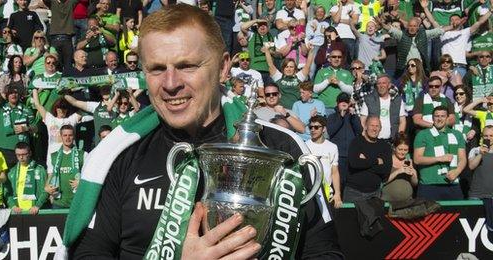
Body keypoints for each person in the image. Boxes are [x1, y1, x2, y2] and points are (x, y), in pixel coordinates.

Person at [67, 5, 341, 259]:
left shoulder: (281, 148)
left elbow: (324, 252)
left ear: (223, 68)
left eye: (187, 66)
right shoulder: (118, 156)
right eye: (157, 69)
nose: (171, 83)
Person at [414, 106, 467, 200]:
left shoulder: (457, 134)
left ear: (447, 118)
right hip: (429, 184)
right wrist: (439, 158)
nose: (439, 119)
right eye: (436, 116)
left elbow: (462, 158)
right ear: (432, 118)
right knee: (427, 215)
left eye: (442, 116)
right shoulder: (423, 134)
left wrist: (457, 171)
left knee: (456, 214)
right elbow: (417, 159)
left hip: (452, 183)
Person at [344, 116, 392, 202]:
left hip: (374, 194)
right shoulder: (356, 142)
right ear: (365, 127)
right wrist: (376, 161)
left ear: (380, 128)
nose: (374, 129)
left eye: (377, 126)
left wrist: (364, 161)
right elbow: (354, 163)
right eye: (372, 125)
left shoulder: (385, 146)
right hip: (353, 192)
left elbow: (386, 170)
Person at [32, 88, 81, 170]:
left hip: (70, 157)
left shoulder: (72, 119)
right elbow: (37, 105)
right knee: (51, 179)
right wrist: (34, 88)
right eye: (59, 107)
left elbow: (83, 108)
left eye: (64, 107)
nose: (62, 110)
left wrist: (68, 95)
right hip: (52, 157)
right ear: (55, 108)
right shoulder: (50, 119)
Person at [0, 79, 36, 167]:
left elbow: (36, 128)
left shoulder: (27, 110)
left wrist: (26, 128)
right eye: (11, 93)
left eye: (16, 93)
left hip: (21, 150)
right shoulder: (1, 108)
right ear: (7, 95)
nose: (13, 95)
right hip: (2, 147)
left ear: (19, 95)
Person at [327, 92, 363, 194]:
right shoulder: (332, 117)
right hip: (338, 156)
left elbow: (359, 131)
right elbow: (331, 131)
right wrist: (341, 117)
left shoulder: (353, 117)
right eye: (341, 101)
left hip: (351, 155)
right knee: (339, 181)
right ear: (337, 103)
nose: (343, 103)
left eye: (346, 102)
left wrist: (353, 117)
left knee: (349, 182)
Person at [45, 125, 86, 209]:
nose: (68, 138)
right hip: (59, 201)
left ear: (74, 136)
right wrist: (47, 188)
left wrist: (81, 182)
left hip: (77, 201)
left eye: (70, 135)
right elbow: (50, 175)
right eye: (65, 135)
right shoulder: (53, 155)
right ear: (61, 137)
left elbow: (89, 176)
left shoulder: (84, 154)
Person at [306, 115, 342, 208]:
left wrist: (337, 194)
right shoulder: (304, 145)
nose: (313, 130)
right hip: (308, 192)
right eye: (311, 127)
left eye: (316, 127)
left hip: (326, 193)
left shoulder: (332, 147)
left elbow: (334, 172)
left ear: (324, 129)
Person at [359, 74, 407, 142]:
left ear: (389, 85)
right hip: (373, 140)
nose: (381, 86)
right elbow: (362, 120)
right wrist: (366, 135)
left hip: (392, 140)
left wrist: (398, 139)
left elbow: (402, 121)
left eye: (384, 83)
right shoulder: (369, 99)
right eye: (379, 83)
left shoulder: (397, 100)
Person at [4, 142, 47, 215]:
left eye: (24, 154)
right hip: (18, 211)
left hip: (35, 211)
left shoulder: (39, 169)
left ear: (30, 153)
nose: (21, 157)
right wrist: (13, 206)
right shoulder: (12, 172)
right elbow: (7, 192)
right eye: (18, 155)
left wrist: (37, 205)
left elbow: (46, 190)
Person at [381, 134, 418, 205]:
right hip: (388, 202)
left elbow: (415, 184)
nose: (403, 152)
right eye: (400, 149)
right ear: (394, 148)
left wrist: (413, 173)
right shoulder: (387, 160)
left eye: (405, 150)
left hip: (407, 203)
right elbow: (382, 181)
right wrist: (398, 171)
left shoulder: (409, 161)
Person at [313, 49, 354, 113]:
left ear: (342, 59)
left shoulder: (347, 73)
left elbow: (350, 91)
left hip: (341, 108)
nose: (336, 59)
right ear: (329, 58)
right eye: (334, 57)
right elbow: (315, 89)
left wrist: (339, 83)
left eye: (339, 57)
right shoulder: (321, 72)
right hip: (324, 107)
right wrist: (328, 81)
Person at [468, 126, 493, 200]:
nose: (488, 138)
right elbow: (471, 166)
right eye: (486, 136)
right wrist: (480, 154)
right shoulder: (475, 150)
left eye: (491, 135)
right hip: (476, 195)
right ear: (482, 136)